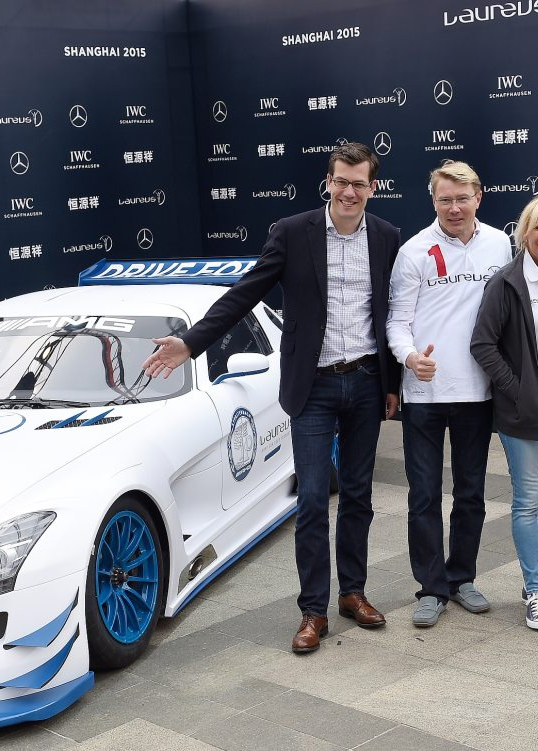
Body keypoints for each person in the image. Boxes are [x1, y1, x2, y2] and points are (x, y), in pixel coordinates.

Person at [142, 142, 402, 653]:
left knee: (357, 495)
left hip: (367, 381)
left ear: (373, 187)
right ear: (327, 182)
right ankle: (313, 610)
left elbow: (392, 311)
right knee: (312, 499)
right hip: (314, 385)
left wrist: (392, 384)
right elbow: (245, 293)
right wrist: (191, 342)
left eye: (359, 184)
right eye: (341, 181)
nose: (349, 192)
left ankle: (353, 592)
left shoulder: (387, 237)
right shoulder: (292, 232)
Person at [387, 161, 512, 627]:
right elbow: (397, 321)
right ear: (433, 200)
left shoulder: (500, 243)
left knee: (471, 493)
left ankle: (461, 578)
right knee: (423, 496)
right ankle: (431, 587)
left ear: (478, 197)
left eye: (462, 198)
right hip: (424, 392)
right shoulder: (414, 251)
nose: (454, 208)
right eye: (445, 199)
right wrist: (409, 357)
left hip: (477, 391)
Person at [470, 193, 538, 631]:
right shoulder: (506, 283)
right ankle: (534, 590)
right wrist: (518, 392)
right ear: (524, 232)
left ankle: (537, 579)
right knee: (527, 500)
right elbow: (482, 344)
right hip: (522, 413)